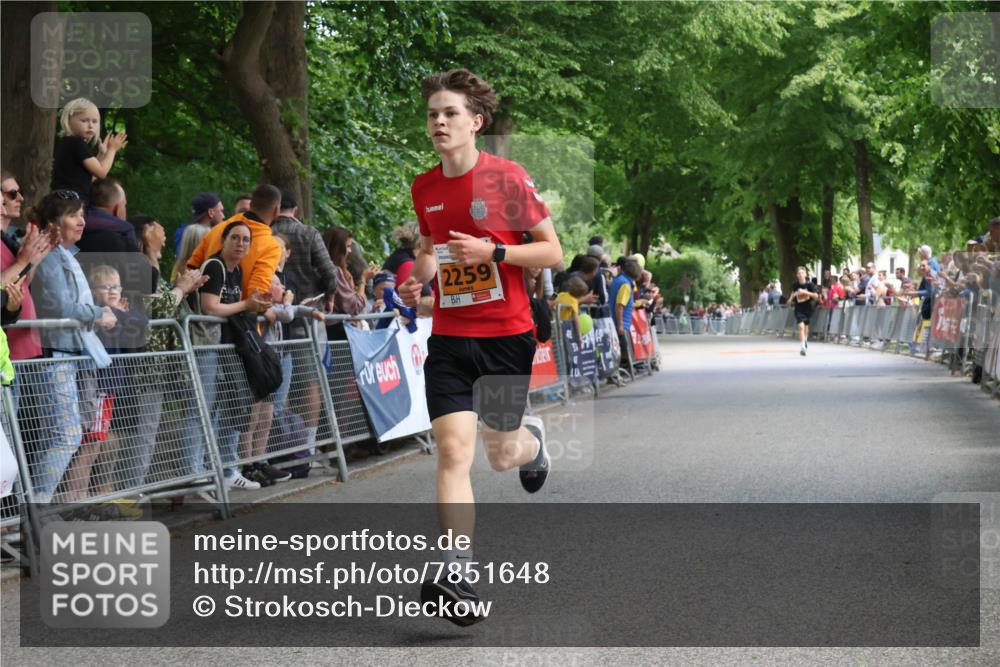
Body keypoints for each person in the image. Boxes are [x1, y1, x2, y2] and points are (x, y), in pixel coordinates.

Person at [398, 68, 563, 626]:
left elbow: (552, 254)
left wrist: (494, 254)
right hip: (448, 336)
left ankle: (532, 444)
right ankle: (456, 568)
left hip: (505, 337)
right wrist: (416, 278)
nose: (439, 122)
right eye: (432, 114)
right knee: (451, 451)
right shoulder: (425, 187)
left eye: (449, 113)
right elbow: (427, 248)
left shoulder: (508, 179)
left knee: (500, 455)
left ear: (476, 121)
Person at [29, 190, 116, 503]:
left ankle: (32, 509)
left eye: (82, 214)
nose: (81, 221)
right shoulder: (51, 255)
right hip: (54, 354)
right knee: (65, 436)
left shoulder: (67, 254)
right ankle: (34, 508)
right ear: (54, 222)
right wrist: (98, 313)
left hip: (69, 353)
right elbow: (59, 305)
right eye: (73, 215)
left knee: (61, 435)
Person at [191, 220, 271, 490]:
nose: (240, 243)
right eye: (235, 238)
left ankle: (225, 469)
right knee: (203, 410)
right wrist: (247, 304)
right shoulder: (214, 266)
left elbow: (233, 307)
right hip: (208, 348)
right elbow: (210, 308)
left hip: (228, 349)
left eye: (246, 240)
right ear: (223, 241)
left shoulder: (236, 271)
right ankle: (196, 473)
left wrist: (253, 307)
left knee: (228, 408)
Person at [51, 98, 127, 200]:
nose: (90, 125)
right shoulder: (77, 144)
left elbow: (91, 177)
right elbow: (102, 173)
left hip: (64, 199)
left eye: (94, 121)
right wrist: (112, 150)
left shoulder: (68, 142)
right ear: (69, 120)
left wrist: (101, 154)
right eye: (84, 120)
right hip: (72, 202)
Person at [789, 266, 820, 356]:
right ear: (797, 275)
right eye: (799, 273)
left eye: (802, 273)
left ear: (805, 274)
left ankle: (805, 340)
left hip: (808, 307)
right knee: (801, 326)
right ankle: (802, 347)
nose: (800, 275)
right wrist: (791, 298)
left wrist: (805, 292)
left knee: (806, 326)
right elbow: (793, 292)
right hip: (798, 308)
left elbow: (816, 296)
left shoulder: (810, 285)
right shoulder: (795, 285)